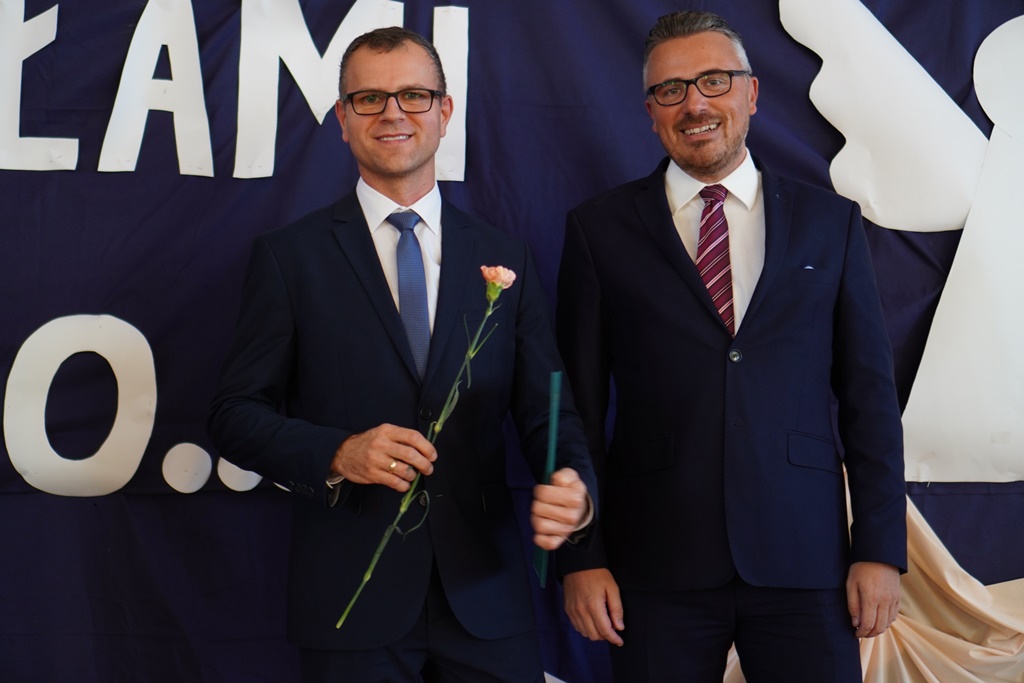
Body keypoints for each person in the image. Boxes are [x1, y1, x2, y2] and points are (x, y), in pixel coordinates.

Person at [208, 26, 595, 683]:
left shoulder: (507, 257)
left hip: (487, 599)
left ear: (445, 111)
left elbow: (547, 413)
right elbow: (233, 415)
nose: (393, 113)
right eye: (370, 99)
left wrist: (574, 489)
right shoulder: (289, 258)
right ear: (343, 119)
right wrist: (338, 451)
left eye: (414, 95)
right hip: (350, 600)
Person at [555, 11, 906, 683]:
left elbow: (870, 398)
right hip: (653, 566)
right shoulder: (599, 230)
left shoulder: (830, 223)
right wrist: (581, 556)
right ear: (651, 111)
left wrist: (880, 548)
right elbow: (574, 413)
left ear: (751, 93)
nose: (695, 104)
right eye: (671, 89)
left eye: (714, 81)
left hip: (807, 560)